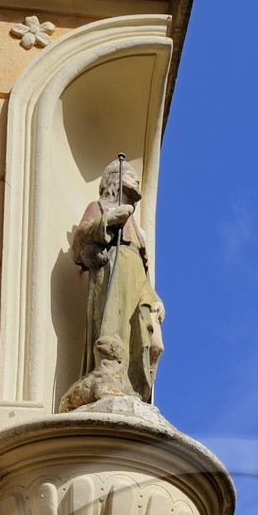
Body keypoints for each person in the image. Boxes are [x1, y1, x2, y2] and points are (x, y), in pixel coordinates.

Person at [69, 158, 164, 403]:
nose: (136, 181)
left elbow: (143, 269)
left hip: (138, 283)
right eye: (130, 176)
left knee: (154, 345)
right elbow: (77, 245)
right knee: (113, 334)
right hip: (113, 273)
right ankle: (110, 381)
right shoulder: (99, 207)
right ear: (115, 179)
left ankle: (138, 394)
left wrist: (155, 298)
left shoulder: (138, 229)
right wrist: (109, 219)